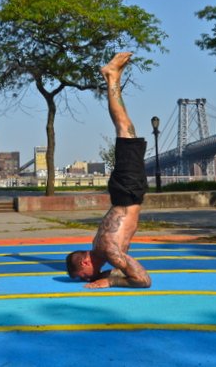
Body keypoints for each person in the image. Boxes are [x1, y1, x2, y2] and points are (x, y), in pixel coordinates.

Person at [66, 52, 151, 289]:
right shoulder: (99, 248)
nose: (91, 277)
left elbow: (144, 281)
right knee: (126, 129)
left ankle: (111, 77)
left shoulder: (107, 251)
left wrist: (110, 281)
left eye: (86, 275)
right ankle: (113, 78)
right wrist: (108, 274)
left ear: (84, 262)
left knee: (125, 128)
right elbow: (118, 262)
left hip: (128, 191)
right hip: (126, 192)